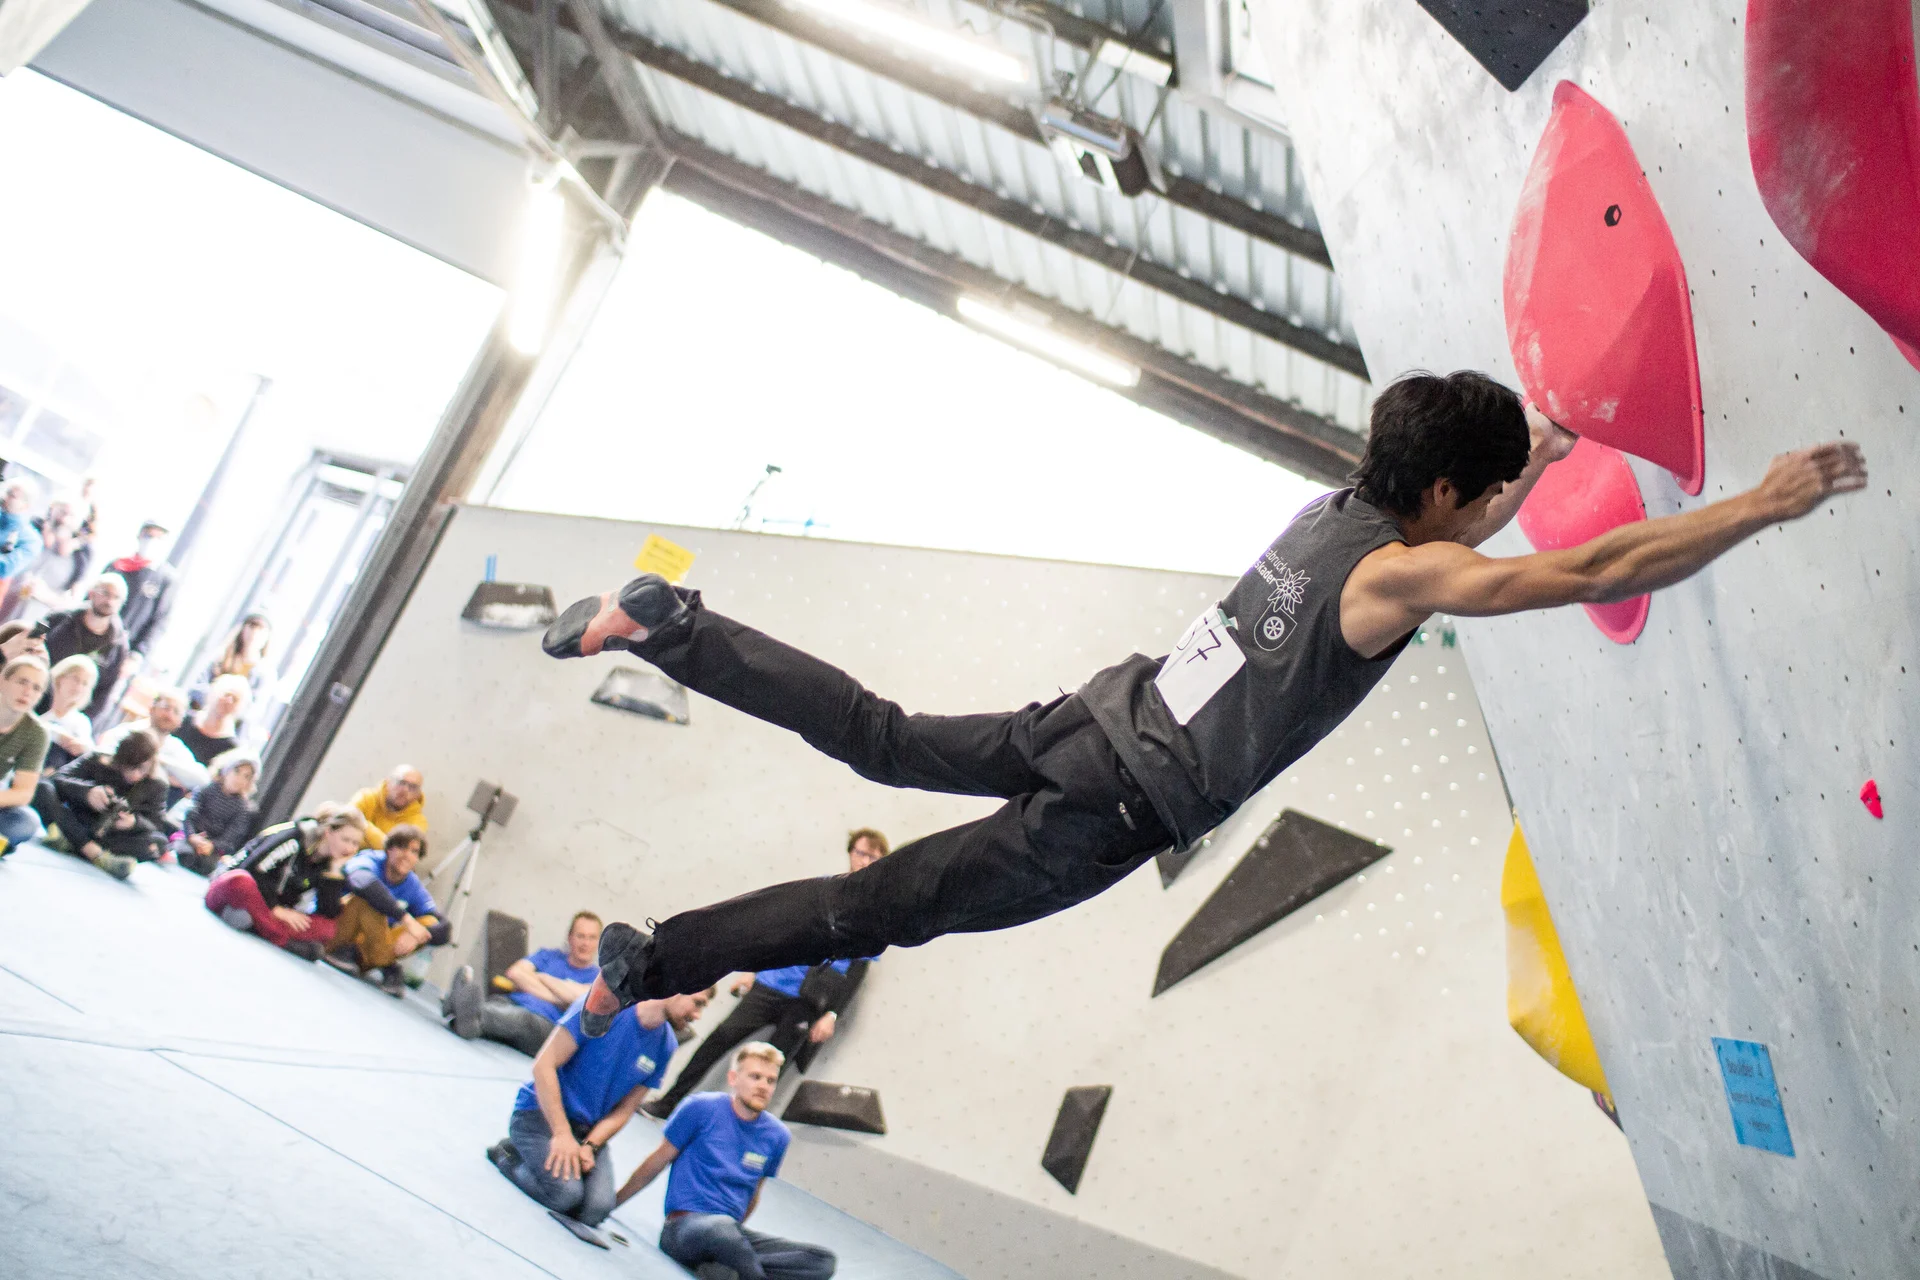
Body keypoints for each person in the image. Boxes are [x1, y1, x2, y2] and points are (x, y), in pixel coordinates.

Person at [538, 371, 1870, 1029]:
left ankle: (680, 629)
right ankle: (656, 961)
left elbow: (1468, 519)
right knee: (869, 912)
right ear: (1448, 500)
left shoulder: (1337, 511)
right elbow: (1582, 570)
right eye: (1483, 497)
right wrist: (1760, 502)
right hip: (1111, 806)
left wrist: (1539, 453)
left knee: (881, 736)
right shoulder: (1406, 577)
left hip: (1088, 718)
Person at [641, 831, 886, 1120]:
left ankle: (738, 1126)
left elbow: (858, 971)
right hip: (774, 983)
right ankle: (669, 1102)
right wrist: (750, 970)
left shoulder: (874, 912)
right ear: (850, 853)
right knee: (720, 1038)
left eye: (872, 856)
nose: (864, 860)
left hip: (809, 1001)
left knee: (770, 1069)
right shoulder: (825, 889)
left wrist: (832, 1014)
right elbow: (780, 933)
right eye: (860, 853)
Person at [486, 988, 712, 1228]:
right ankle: (508, 1155)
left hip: (585, 1131)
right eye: (697, 1003)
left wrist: (591, 1145)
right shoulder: (604, 1008)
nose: (697, 1015)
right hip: (540, 1115)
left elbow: (625, 1110)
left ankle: (548, 1163)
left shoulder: (665, 1045)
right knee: (565, 1196)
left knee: (596, 1210)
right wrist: (562, 1133)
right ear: (677, 989)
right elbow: (543, 1066)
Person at [614, 1043, 836, 1280]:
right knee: (720, 1229)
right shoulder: (700, 1108)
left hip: (730, 1232)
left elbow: (754, 1192)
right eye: (755, 1077)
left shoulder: (777, 1136)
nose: (763, 1086)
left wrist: (734, 1240)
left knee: (821, 1261)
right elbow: (657, 1161)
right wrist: (613, 1202)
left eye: (770, 1080)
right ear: (733, 1078)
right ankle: (741, 1270)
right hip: (684, 1228)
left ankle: (726, 1267)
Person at [204, 803, 363, 960]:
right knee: (240, 881)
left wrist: (334, 872)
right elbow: (250, 869)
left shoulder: (332, 863)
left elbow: (328, 912)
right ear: (328, 832)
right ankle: (281, 938)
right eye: (346, 840)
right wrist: (275, 909)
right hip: (232, 888)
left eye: (355, 843)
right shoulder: (293, 838)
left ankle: (257, 926)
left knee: (327, 928)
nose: (349, 848)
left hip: (262, 909)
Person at [444, 910, 603, 1056]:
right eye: (580, 936)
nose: (585, 943)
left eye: (592, 938)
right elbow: (515, 973)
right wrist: (559, 996)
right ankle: (468, 1023)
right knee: (499, 1005)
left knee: (523, 1019)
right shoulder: (548, 955)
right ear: (570, 938)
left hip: (545, 1027)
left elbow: (577, 999)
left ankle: (457, 1005)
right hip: (512, 1003)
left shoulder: (598, 978)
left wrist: (542, 977)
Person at [325, 824, 449, 995]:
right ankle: (388, 966)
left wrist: (415, 934)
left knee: (427, 924)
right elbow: (362, 882)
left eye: (414, 852)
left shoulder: (412, 884)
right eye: (402, 847)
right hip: (335, 935)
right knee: (367, 901)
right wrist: (406, 918)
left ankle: (380, 960)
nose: (407, 856)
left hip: (363, 954)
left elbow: (444, 929)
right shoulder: (370, 859)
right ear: (389, 849)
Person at [34, 729, 169, 879]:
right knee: (41, 788)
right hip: (77, 820)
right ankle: (94, 853)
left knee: (159, 843)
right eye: (129, 767)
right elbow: (56, 779)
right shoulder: (97, 759)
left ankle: (72, 843)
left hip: (111, 835)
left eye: (142, 769)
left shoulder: (157, 785)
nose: (135, 774)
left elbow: (157, 824)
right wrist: (86, 792)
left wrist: (134, 822)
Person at [41, 573, 129, 723]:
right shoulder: (59, 618)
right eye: (105, 593)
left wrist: (83, 721)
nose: (109, 601)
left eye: (116, 598)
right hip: (37, 695)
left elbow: (107, 692)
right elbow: (29, 647)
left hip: (70, 718)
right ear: (92, 592)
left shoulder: (118, 646)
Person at [99, 686, 209, 799]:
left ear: (181, 721)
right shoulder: (128, 732)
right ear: (152, 708)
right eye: (166, 708)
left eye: (176, 712)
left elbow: (202, 780)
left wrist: (159, 761)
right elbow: (103, 755)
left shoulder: (176, 747)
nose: (169, 715)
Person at [170, 749, 260, 875]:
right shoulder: (208, 789)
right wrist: (192, 836)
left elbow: (231, 837)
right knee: (184, 852)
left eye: (246, 776)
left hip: (212, 848)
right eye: (236, 771)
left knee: (207, 865)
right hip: (190, 837)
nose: (238, 779)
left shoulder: (243, 808)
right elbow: (190, 814)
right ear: (226, 770)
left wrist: (211, 845)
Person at [5, 496, 91, 625]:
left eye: (72, 516)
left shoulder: (80, 557)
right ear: (52, 509)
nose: (64, 519)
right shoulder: (27, 532)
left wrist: (46, 596)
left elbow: (73, 605)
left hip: (29, 626)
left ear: (80, 521)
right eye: (62, 512)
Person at [107, 519, 176, 673]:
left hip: (126, 651)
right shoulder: (118, 566)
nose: (152, 541)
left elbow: (160, 621)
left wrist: (138, 654)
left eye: (158, 538)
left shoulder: (165, 578)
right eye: (148, 535)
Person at [0, 654, 49, 855]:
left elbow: (23, 792)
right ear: (3, 680)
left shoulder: (36, 732)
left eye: (36, 688)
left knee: (27, 822)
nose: (27, 692)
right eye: (22, 682)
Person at [190, 611, 272, 708]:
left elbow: (256, 709)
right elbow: (196, 687)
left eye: (261, 629)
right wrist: (218, 698)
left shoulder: (265, 673)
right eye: (252, 626)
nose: (255, 632)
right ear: (242, 629)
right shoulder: (219, 657)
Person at [40, 654, 98, 774]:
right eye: (76, 679)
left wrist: (81, 746)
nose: (79, 687)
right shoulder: (41, 705)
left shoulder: (81, 721)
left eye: (85, 684)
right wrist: (58, 735)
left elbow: (87, 750)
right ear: (61, 678)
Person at [349, 765, 426, 850]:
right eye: (401, 782)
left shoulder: (418, 822)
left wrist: (362, 824)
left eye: (412, 787)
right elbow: (344, 824)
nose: (405, 790)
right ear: (388, 782)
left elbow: (399, 853)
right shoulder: (366, 797)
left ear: (418, 794)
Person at [175, 674, 247, 764]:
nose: (229, 701)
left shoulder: (230, 747)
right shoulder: (183, 719)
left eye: (235, 699)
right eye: (227, 695)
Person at [0, 478, 44, 591]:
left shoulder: (31, 539)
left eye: (12, 496)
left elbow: (5, 568)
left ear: (26, 505)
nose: (5, 497)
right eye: (6, 492)